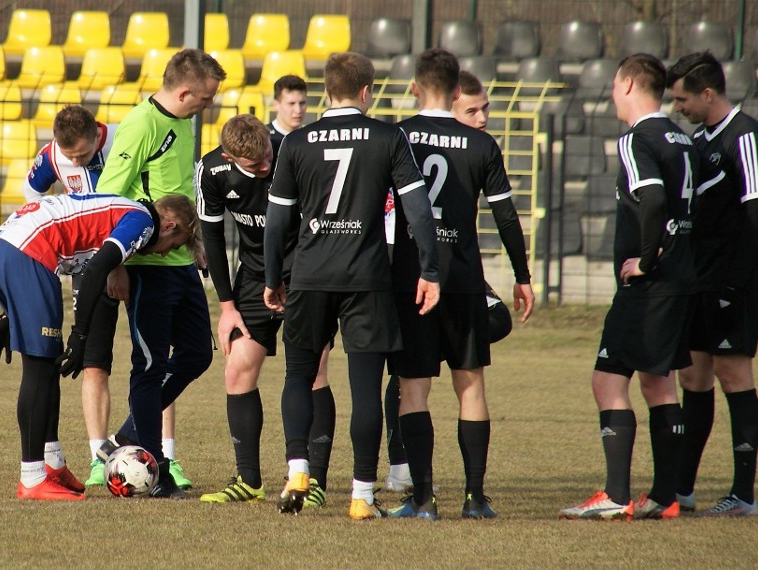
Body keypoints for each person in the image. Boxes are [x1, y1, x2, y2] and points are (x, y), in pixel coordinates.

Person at [263, 51, 441, 520]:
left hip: (310, 275)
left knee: (299, 374)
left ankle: (298, 467)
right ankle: (362, 496)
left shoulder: (297, 141)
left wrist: (272, 278)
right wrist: (430, 270)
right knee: (366, 388)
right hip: (367, 278)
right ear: (367, 93)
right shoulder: (388, 136)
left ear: (325, 91)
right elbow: (417, 210)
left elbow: (278, 220)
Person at [382, 49, 534, 521]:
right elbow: (506, 215)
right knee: (470, 386)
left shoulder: (397, 137)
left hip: (411, 282)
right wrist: (522, 276)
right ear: (454, 93)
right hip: (465, 281)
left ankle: (423, 500)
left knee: (413, 390)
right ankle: (475, 499)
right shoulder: (481, 145)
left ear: (413, 88)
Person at [0, 192, 196, 501]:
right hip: (27, 252)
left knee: (49, 361)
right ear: (169, 225)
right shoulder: (143, 221)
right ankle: (32, 477)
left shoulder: (128, 210)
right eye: (174, 246)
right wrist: (80, 335)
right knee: (40, 367)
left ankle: (53, 464)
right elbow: (97, 268)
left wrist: (8, 316)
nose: (165, 254)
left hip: (1, 246)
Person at [23, 105, 193, 490]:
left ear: (98, 135)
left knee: (154, 358)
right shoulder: (51, 155)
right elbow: (31, 192)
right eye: (71, 158)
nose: (76, 161)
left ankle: (164, 453)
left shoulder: (125, 138)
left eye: (83, 154)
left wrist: (121, 261)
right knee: (94, 360)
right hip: (91, 264)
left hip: (140, 256)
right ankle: (100, 456)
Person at [558, 54, 698, 521]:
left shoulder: (637, 138)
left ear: (631, 83)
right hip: (681, 279)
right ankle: (665, 496)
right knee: (660, 384)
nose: (613, 94)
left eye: (616, 85)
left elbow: (654, 197)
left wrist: (648, 258)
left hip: (650, 285)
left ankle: (618, 495)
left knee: (607, 379)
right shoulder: (683, 138)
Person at [93, 48, 224, 499]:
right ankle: (152, 464)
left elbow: (181, 193)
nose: (208, 106)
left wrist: (198, 246)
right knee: (148, 366)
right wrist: (117, 265)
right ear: (186, 91)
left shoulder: (183, 124)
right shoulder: (141, 125)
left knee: (197, 355)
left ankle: (130, 432)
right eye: (205, 99)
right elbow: (109, 196)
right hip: (148, 266)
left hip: (181, 263)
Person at [195, 114, 337, 507]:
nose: (265, 167)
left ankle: (315, 482)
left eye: (267, 157)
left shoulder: (293, 155)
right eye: (254, 165)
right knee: (237, 367)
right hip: (255, 279)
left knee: (313, 372)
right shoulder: (211, 169)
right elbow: (211, 234)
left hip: (305, 275)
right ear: (229, 156)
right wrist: (226, 307)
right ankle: (249, 480)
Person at [666, 51, 758, 517]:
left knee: (734, 376)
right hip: (702, 279)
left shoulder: (746, 135)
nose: (678, 107)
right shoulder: (700, 139)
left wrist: (737, 279)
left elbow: (757, 212)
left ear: (707, 93)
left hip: (734, 279)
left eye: (683, 98)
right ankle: (683, 488)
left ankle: (743, 495)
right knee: (693, 376)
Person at [269, 74, 308, 147]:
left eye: (302, 103)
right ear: (276, 105)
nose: (298, 110)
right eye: (291, 104)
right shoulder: (264, 139)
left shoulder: (310, 138)